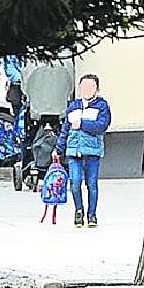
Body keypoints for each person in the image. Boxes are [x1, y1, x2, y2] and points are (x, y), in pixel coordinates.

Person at [55, 74, 112, 228]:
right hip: (74, 152)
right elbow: (65, 129)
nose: (86, 90)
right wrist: (58, 148)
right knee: (75, 182)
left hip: (92, 151)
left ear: (97, 89)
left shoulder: (102, 106)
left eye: (91, 87)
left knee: (92, 184)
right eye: (84, 87)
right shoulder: (73, 106)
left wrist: (82, 124)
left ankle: (92, 214)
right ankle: (78, 210)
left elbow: (101, 126)